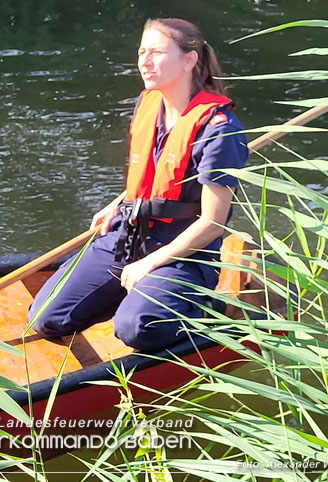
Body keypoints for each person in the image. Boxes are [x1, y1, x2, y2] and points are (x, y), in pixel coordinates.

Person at [27, 18, 248, 352]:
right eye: (142, 51)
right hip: (128, 236)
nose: (144, 61)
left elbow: (213, 222)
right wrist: (118, 203)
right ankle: (142, 296)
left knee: (136, 329)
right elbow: (153, 178)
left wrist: (150, 263)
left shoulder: (219, 129)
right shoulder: (148, 104)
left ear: (189, 60)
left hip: (182, 253)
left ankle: (201, 309)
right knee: (46, 318)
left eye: (157, 52)